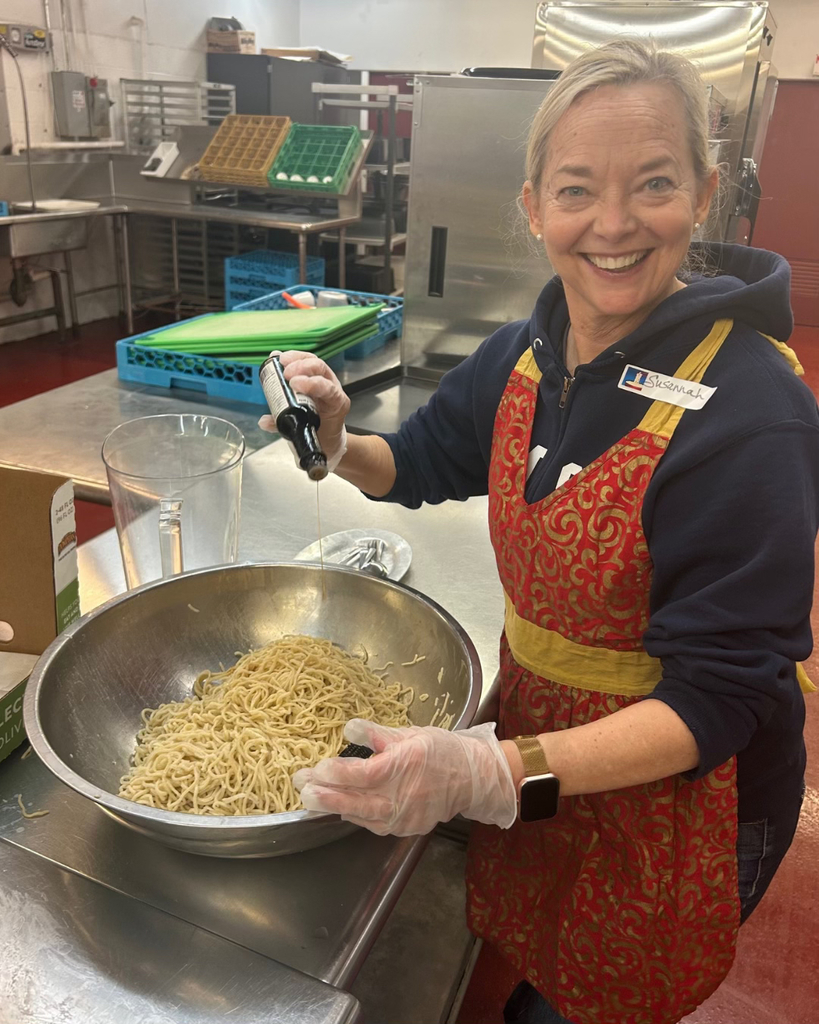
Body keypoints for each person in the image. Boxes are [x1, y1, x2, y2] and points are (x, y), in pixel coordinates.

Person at [262, 40, 819, 1024]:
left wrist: (488, 769)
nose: (612, 224)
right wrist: (341, 437)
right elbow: (420, 463)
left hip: (679, 788)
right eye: (576, 190)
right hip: (539, 746)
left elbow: (717, 701)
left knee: (607, 995)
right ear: (533, 207)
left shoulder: (751, 406)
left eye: (653, 183)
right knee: (547, 950)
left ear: (706, 192)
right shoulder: (527, 351)